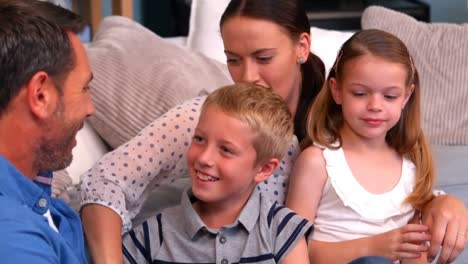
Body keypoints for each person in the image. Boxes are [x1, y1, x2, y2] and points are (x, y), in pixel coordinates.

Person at [80, 0, 467, 263]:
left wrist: (440, 201)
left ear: (302, 47)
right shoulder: (211, 118)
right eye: (233, 59)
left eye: (264, 58)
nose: (248, 76)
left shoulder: (346, 112)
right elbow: (106, 178)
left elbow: (386, 173)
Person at [285, 29, 459, 264]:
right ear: (336, 90)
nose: (375, 105)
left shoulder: (411, 165)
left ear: (406, 97)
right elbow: (290, 247)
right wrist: (371, 247)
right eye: (359, 93)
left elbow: (414, 255)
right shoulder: (318, 162)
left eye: (390, 96)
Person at [122, 83, 311, 263]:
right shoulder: (155, 233)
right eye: (199, 139)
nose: (204, 158)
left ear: (264, 169)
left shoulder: (283, 229)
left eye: (226, 150)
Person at [0, 0, 94, 263]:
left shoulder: (35, 189)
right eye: (85, 88)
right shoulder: (13, 240)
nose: (90, 108)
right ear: (40, 95)